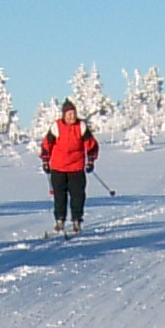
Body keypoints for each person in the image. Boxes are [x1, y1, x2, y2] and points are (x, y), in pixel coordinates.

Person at [40, 99, 99, 234]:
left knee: (78, 195)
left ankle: (76, 220)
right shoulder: (56, 127)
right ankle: (60, 220)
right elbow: (46, 144)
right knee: (59, 196)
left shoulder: (81, 126)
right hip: (58, 167)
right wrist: (45, 161)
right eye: (69, 114)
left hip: (76, 167)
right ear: (64, 115)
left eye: (74, 113)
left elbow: (91, 144)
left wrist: (90, 161)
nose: (72, 116)